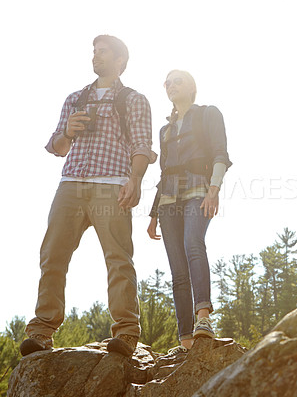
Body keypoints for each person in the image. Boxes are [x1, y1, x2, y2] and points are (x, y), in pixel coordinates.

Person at [20, 35, 156, 358]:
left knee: (119, 260)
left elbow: (141, 146)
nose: (96, 55)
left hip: (112, 185)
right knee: (52, 255)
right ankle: (41, 330)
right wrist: (68, 131)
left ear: (119, 60)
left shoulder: (134, 100)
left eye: (103, 51)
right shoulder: (76, 98)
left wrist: (135, 180)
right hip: (71, 184)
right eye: (94, 51)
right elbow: (57, 147)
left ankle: (125, 333)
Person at [147, 70, 231, 356]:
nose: (171, 85)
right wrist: (153, 213)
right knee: (177, 268)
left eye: (177, 81)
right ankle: (185, 339)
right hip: (168, 199)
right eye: (167, 82)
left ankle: (203, 318)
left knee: (193, 243)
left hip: (199, 189)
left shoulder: (208, 114)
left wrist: (214, 189)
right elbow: (162, 171)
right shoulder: (165, 130)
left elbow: (221, 154)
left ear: (192, 87)